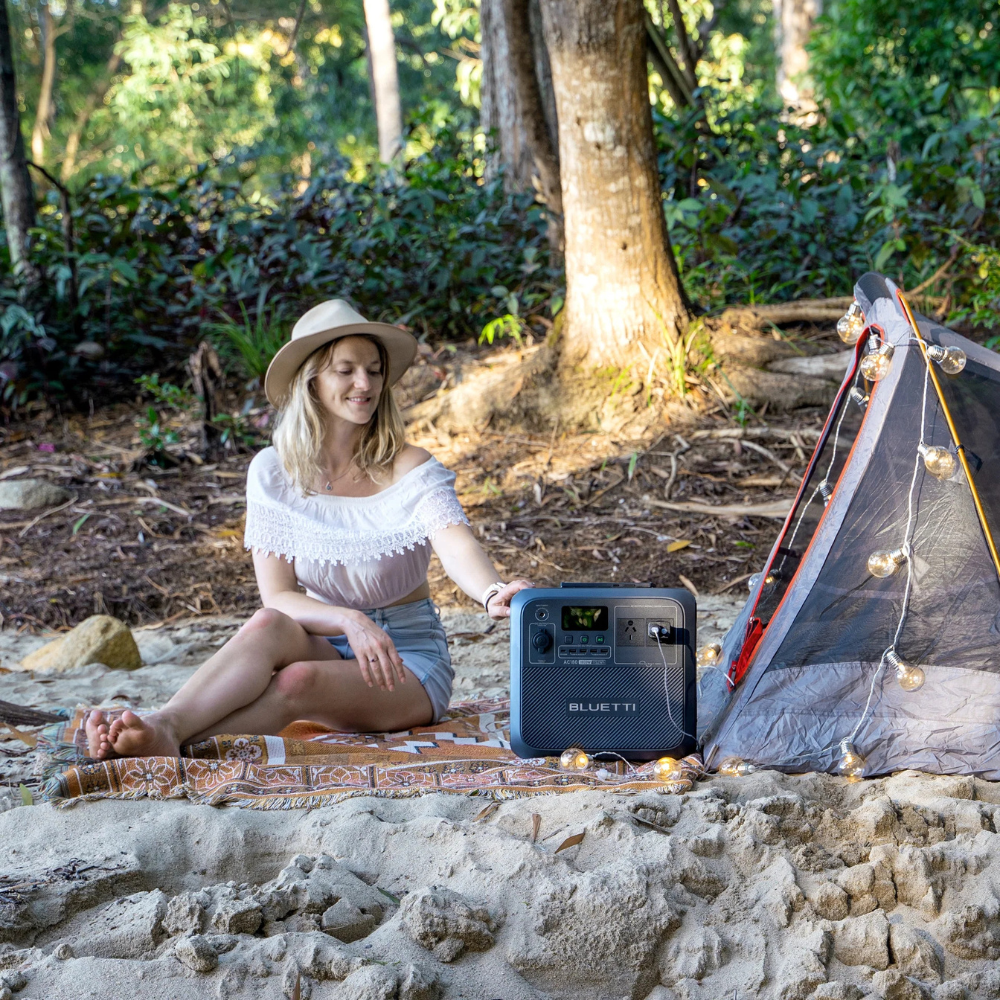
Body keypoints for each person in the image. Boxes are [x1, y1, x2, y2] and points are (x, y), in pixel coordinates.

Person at [85, 299, 531, 760]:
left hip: (408, 658)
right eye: (346, 370)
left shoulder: (411, 467)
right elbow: (277, 598)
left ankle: (167, 737)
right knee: (267, 624)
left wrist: (492, 591)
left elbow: (457, 543)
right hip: (323, 638)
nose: (366, 384)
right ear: (312, 380)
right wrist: (347, 618)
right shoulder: (273, 472)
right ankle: (166, 723)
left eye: (375, 371)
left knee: (298, 681)